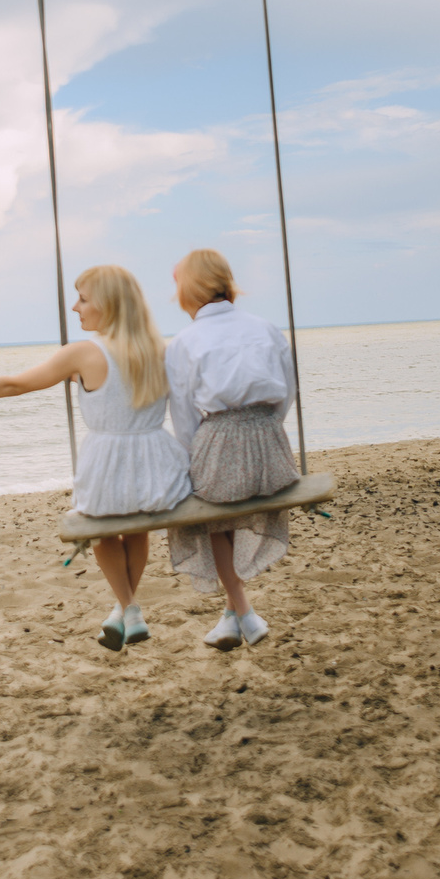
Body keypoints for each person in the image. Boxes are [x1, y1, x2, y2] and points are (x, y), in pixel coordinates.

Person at [0, 266, 188, 651]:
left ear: (106, 304)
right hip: (159, 465)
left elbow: (15, 384)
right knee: (136, 527)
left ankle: (129, 608)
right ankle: (123, 610)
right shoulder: (160, 348)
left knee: (100, 529)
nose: (75, 307)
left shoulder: (82, 353)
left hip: (107, 462)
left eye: (83, 298)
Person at [164, 248, 298, 650]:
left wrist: (193, 460)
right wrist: (266, 431)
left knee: (204, 515)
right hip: (272, 450)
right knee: (224, 502)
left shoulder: (184, 341)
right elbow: (287, 394)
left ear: (189, 288)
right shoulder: (265, 327)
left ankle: (243, 610)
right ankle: (230, 617)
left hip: (220, 441)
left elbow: (185, 417)